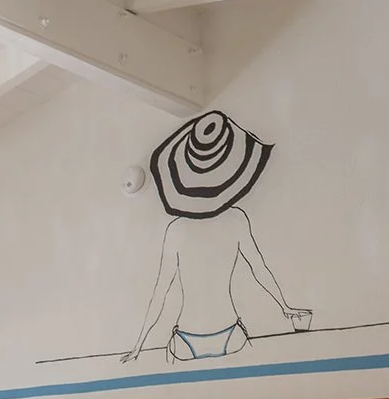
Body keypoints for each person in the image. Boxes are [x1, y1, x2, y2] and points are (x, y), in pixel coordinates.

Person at [120, 111, 311, 363]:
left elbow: (161, 292)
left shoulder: (176, 229)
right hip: (230, 333)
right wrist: (285, 307)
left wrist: (139, 346)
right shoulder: (236, 219)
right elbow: (259, 269)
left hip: (186, 340)